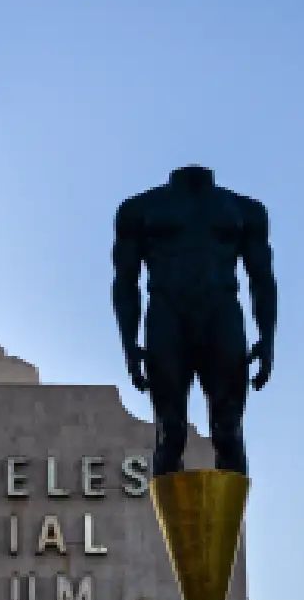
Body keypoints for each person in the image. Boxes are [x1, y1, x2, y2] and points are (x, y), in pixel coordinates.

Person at [111, 165, 276, 476]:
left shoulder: (246, 211)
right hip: (167, 315)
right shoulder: (139, 210)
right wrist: (129, 343)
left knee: (228, 432)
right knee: (170, 434)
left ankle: (229, 508)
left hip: (221, 314)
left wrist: (267, 338)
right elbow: (125, 281)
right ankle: (169, 508)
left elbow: (262, 279)